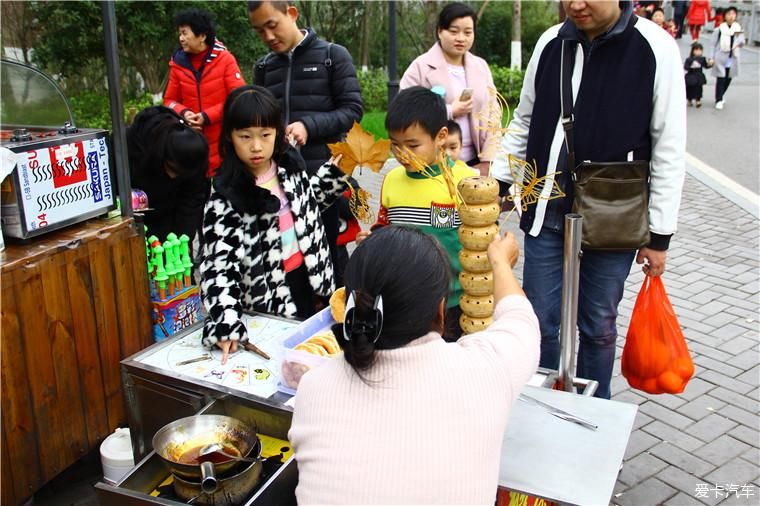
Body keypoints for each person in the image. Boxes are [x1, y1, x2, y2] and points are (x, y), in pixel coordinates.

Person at [490, 0, 686, 399]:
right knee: (539, 321)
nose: (575, 5)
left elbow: (669, 144)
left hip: (615, 213)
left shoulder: (655, 48)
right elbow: (525, 120)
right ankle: (539, 406)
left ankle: (595, 412)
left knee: (598, 325)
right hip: (546, 206)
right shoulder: (550, 42)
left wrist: (659, 234)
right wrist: (497, 185)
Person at [290, 226, 540, 505]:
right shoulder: (485, 371)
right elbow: (521, 320)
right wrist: (499, 262)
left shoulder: (314, 386)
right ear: (441, 311)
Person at [200, 85, 347, 362]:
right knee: (282, 364)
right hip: (266, 300)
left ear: (277, 133)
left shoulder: (289, 168)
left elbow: (307, 206)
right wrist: (226, 322)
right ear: (230, 137)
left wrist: (332, 176)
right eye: (245, 136)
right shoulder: (228, 194)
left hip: (309, 283)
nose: (256, 146)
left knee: (315, 355)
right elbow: (219, 266)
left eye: (265, 135)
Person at [248, 0, 363, 286]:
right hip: (278, 181)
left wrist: (309, 126)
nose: (268, 37)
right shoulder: (264, 68)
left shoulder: (332, 56)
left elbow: (352, 110)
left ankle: (337, 321)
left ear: (292, 13)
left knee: (329, 258)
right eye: (260, 31)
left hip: (323, 178)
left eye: (272, 25)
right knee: (289, 259)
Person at [358, 87, 477, 341]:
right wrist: (372, 240)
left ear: (441, 136)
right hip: (404, 299)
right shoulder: (392, 180)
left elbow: (482, 244)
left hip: (453, 302)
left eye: (413, 145)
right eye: (395, 145)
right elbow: (385, 227)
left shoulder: (465, 181)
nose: (402, 154)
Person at [400, 2, 500, 174]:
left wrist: (488, 161)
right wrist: (449, 110)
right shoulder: (421, 67)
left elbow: (494, 113)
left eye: (468, 32)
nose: (461, 38)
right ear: (440, 31)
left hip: (477, 163)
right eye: (454, 31)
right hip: (435, 164)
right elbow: (404, 112)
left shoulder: (480, 66)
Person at [163, 9, 245, 177]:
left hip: (225, 147)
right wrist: (185, 113)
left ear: (202, 36)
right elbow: (169, 100)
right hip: (191, 148)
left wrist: (207, 116)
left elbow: (238, 98)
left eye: (185, 33)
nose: (181, 39)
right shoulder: (177, 64)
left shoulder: (225, 59)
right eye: (180, 34)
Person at [127, 106, 209, 243]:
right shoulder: (128, 146)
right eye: (173, 169)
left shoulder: (193, 154)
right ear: (161, 154)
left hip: (171, 217)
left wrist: (184, 240)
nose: (174, 177)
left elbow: (191, 200)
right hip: (133, 221)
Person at [711, 6, 745, 110]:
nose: (731, 16)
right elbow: (713, 44)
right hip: (721, 56)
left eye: (733, 14)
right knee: (721, 78)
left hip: (733, 57)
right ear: (725, 16)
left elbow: (742, 43)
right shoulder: (719, 29)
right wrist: (711, 57)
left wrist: (739, 40)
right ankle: (718, 99)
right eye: (729, 14)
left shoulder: (738, 29)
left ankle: (721, 95)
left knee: (728, 78)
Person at [684, 42, 712, 107]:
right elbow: (686, 67)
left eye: (700, 50)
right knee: (690, 88)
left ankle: (698, 100)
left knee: (699, 88)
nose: (698, 52)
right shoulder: (689, 59)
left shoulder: (702, 59)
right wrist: (691, 66)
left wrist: (710, 64)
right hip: (691, 75)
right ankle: (689, 100)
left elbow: (706, 66)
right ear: (693, 51)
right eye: (696, 50)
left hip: (699, 75)